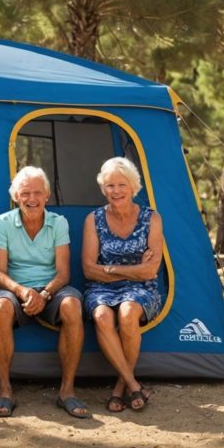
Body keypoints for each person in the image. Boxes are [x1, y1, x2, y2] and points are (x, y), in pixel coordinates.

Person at [0, 166, 88, 419]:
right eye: (25, 193)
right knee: (1, 307)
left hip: (49, 288)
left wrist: (44, 294)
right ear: (16, 197)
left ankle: (67, 391)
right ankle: (5, 391)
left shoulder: (58, 223)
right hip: (12, 287)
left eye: (37, 193)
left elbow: (64, 273)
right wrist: (23, 292)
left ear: (47, 196)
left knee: (72, 305)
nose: (32, 199)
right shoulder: (3, 223)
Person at [82, 157, 163, 413]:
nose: (115, 191)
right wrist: (132, 270)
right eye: (110, 185)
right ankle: (132, 384)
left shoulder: (151, 218)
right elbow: (88, 269)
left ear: (133, 186)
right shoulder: (93, 220)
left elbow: (151, 270)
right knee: (102, 315)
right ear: (103, 188)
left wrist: (109, 269)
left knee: (128, 312)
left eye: (121, 184)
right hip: (100, 289)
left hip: (142, 290)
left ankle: (119, 387)